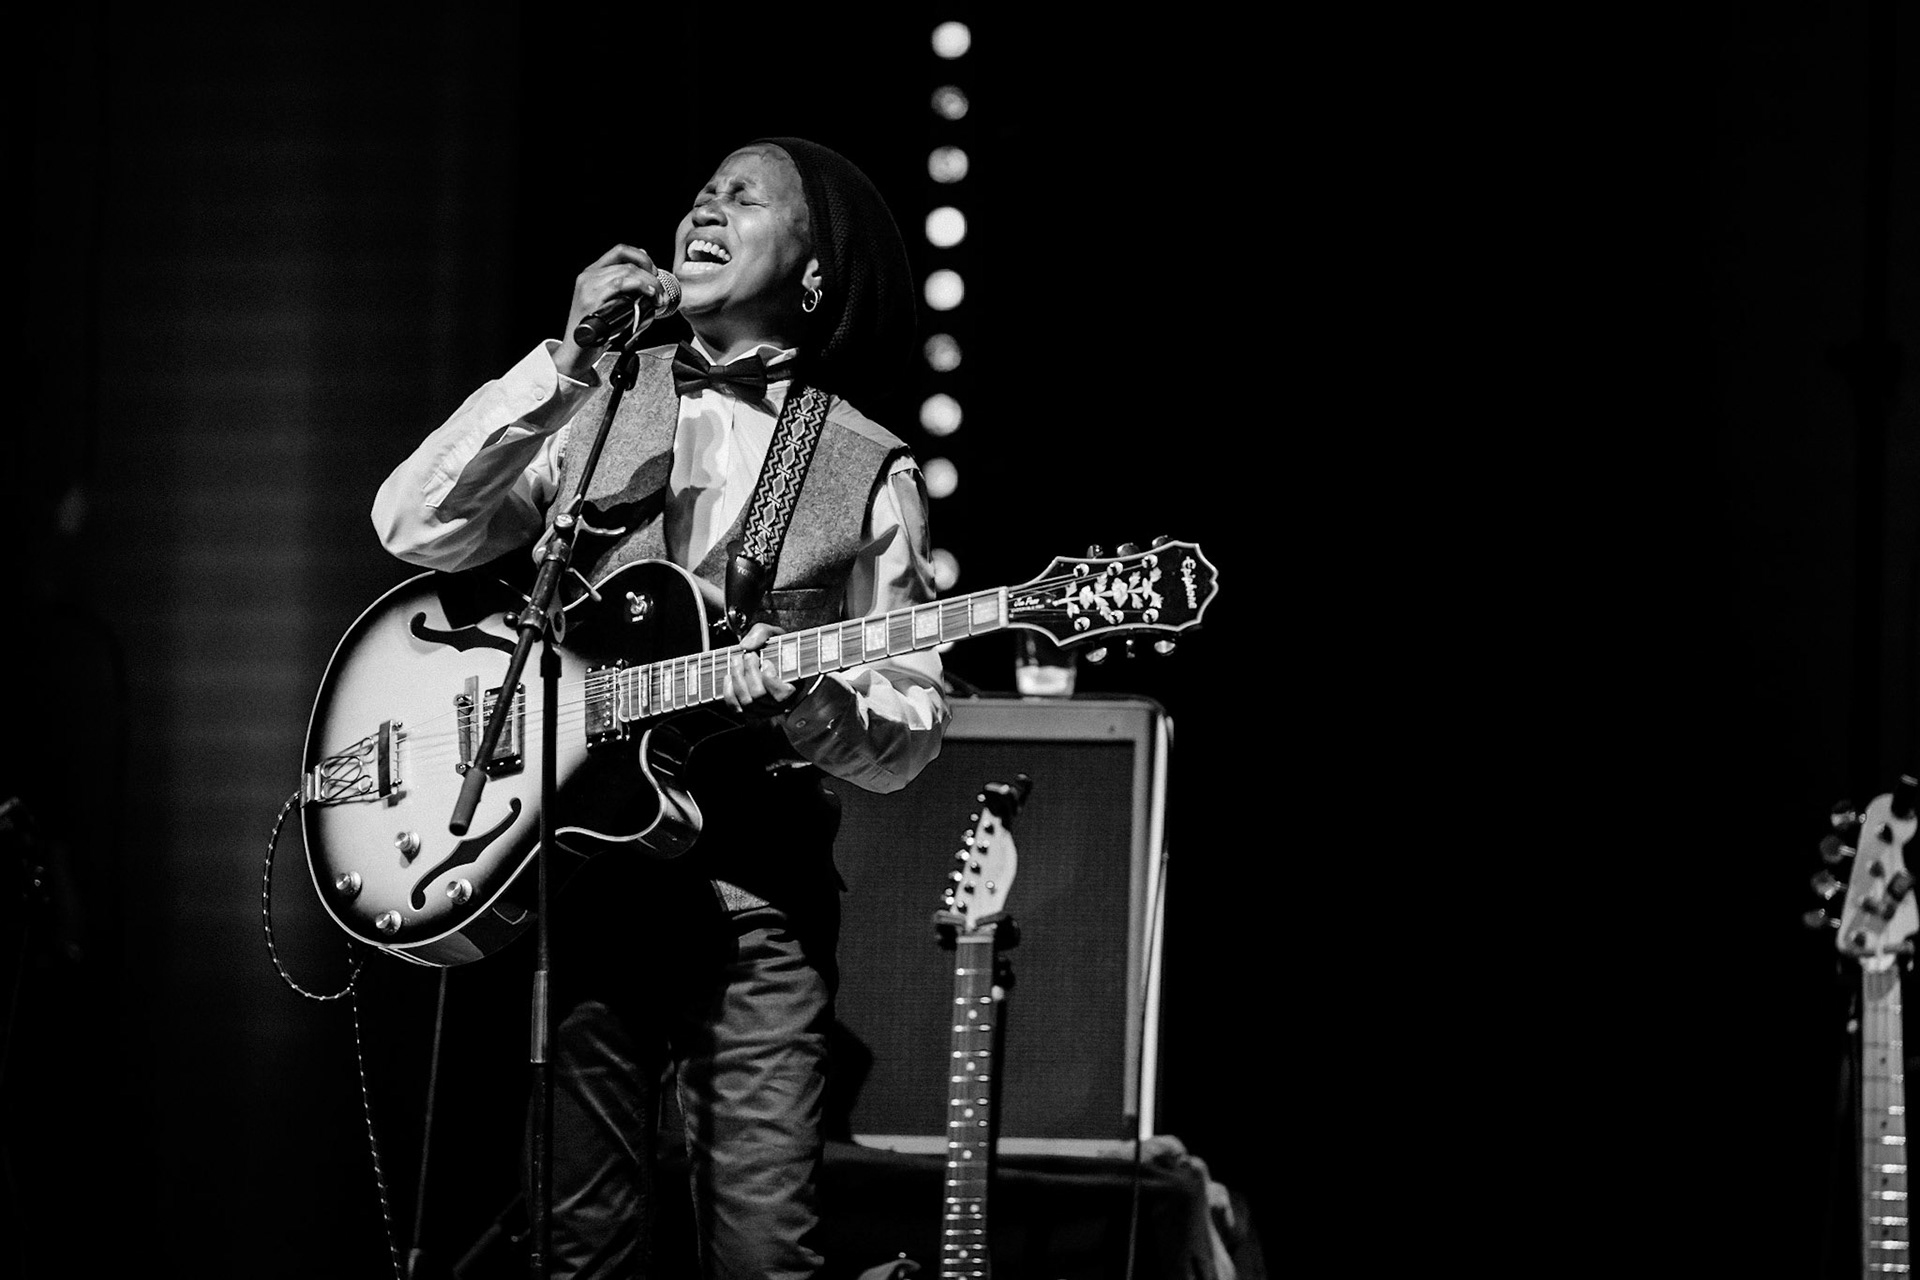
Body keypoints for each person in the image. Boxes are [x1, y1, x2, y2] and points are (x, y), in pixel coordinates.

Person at [370, 137, 949, 1279]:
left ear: (815, 271)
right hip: (590, 877)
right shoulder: (593, 400)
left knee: (764, 1250)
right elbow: (412, 525)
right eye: (700, 191)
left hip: (758, 898)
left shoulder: (865, 462)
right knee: (581, 1247)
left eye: (744, 196)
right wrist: (562, 365)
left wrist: (821, 706)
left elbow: (914, 721)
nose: (706, 206)